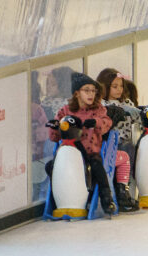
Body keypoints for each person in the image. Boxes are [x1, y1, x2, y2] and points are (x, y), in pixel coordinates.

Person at [48, 72, 119, 216]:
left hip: (89, 154)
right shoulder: (65, 111)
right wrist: (55, 127)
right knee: (50, 166)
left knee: (97, 167)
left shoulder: (98, 109)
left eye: (93, 90)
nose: (91, 94)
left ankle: (106, 198)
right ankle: (61, 197)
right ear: (77, 93)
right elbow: (54, 137)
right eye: (86, 90)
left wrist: (97, 122)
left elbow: (107, 123)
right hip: (68, 155)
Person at [96, 68, 143, 212]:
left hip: (126, 141)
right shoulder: (102, 105)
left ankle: (125, 190)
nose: (119, 90)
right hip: (109, 144)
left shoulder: (127, 102)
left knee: (131, 150)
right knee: (125, 151)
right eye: (114, 86)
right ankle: (120, 192)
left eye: (121, 86)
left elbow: (137, 118)